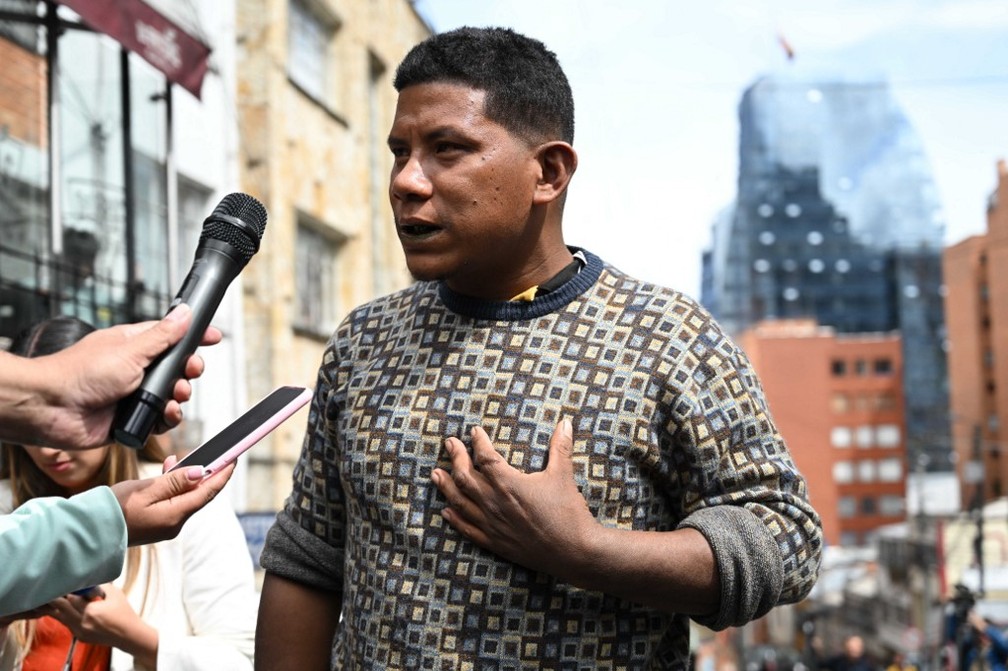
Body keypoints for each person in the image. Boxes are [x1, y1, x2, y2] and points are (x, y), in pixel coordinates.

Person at [254, 26, 823, 669]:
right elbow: (308, 559)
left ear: (548, 173)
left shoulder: (669, 338)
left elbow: (787, 540)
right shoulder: (362, 344)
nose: (407, 181)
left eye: (447, 149)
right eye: (399, 151)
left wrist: (584, 550)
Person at [0, 316, 258, 670]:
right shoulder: (7, 515)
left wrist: (136, 639)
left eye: (72, 407)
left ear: (115, 401)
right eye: (32, 425)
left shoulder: (181, 503)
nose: (48, 448)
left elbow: (244, 661)